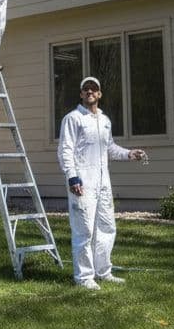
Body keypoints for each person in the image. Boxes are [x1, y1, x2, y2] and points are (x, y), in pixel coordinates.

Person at [57, 76, 147, 290]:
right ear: (81, 94)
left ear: (99, 94)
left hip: (103, 182)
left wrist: (129, 154)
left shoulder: (104, 121)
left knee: (106, 226)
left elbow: (110, 148)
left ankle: (103, 271)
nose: (90, 92)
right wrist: (72, 176)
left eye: (94, 89)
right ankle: (84, 276)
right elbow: (65, 150)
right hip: (81, 182)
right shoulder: (73, 119)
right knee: (84, 229)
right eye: (86, 89)